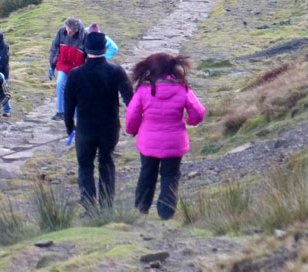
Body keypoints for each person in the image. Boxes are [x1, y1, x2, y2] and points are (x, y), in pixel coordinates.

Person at [125, 53, 206, 220]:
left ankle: (141, 210)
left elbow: (132, 115)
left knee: (147, 173)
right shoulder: (182, 88)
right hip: (174, 142)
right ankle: (166, 214)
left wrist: (132, 130)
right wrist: (189, 121)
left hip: (148, 141)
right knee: (170, 176)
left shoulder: (143, 89)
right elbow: (198, 113)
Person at [63, 31, 133, 208]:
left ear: (85, 49)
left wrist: (70, 127)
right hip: (109, 128)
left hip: (85, 129)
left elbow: (68, 106)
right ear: (105, 48)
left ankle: (88, 206)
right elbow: (130, 100)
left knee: (85, 166)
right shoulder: (116, 71)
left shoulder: (75, 74)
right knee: (107, 162)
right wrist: (134, 124)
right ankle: (107, 206)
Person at [48, 17, 86, 121]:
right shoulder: (61, 32)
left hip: (78, 68)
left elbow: (88, 55)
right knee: (60, 84)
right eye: (67, 29)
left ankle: (78, 114)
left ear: (76, 30)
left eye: (71, 31)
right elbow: (54, 48)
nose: (68, 32)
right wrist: (52, 64)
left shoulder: (85, 37)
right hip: (63, 65)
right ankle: (61, 112)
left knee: (77, 90)